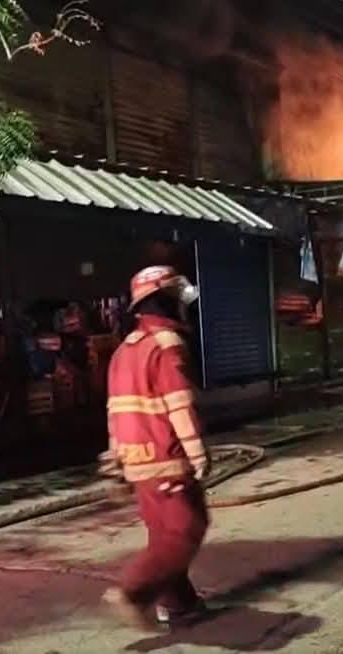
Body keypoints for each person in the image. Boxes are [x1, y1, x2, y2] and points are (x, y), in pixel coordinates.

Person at [101, 266, 210, 631]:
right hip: (168, 459)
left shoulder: (124, 350)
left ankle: (178, 604)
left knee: (164, 534)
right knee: (186, 530)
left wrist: (117, 460)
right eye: (176, 298)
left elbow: (115, 411)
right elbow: (178, 404)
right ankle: (133, 591)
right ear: (164, 300)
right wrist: (197, 455)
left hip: (138, 464)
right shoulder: (166, 345)